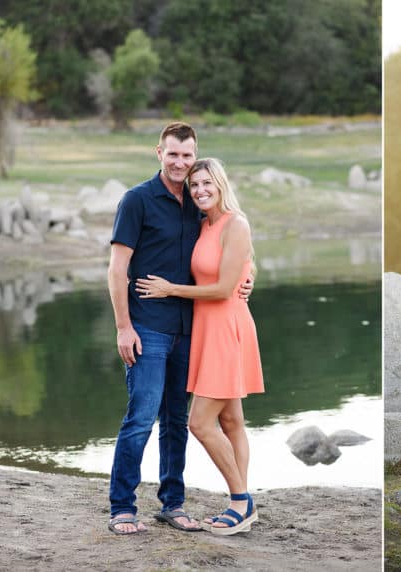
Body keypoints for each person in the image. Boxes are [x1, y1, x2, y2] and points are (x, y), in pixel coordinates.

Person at [107, 123, 251, 535]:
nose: (180, 163)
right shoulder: (137, 200)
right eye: (173, 154)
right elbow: (117, 269)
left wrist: (247, 275)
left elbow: (228, 248)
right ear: (159, 153)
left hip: (191, 330)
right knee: (141, 418)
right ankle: (122, 507)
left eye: (187, 156)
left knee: (176, 420)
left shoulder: (197, 203)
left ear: (195, 155)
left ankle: (173, 503)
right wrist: (123, 327)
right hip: (148, 329)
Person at [137, 158, 264, 535]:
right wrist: (250, 273)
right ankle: (241, 503)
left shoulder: (235, 223)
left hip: (227, 328)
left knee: (199, 422)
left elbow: (227, 287)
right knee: (230, 420)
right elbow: (245, 265)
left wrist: (170, 288)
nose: (200, 190)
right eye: (194, 186)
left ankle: (242, 501)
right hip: (206, 330)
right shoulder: (202, 224)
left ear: (220, 184)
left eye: (207, 183)